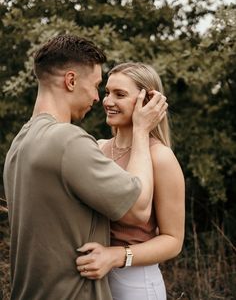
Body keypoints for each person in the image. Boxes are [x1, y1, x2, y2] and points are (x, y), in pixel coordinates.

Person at [3, 35, 168, 300]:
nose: (97, 98)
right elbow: (138, 208)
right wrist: (141, 130)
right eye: (96, 87)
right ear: (70, 81)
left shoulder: (20, 143)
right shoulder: (68, 141)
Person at [76, 62, 185, 300]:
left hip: (135, 284)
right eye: (106, 92)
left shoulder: (161, 157)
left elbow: (173, 241)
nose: (107, 101)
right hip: (91, 279)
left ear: (147, 102)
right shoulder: (98, 147)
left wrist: (115, 256)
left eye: (120, 94)